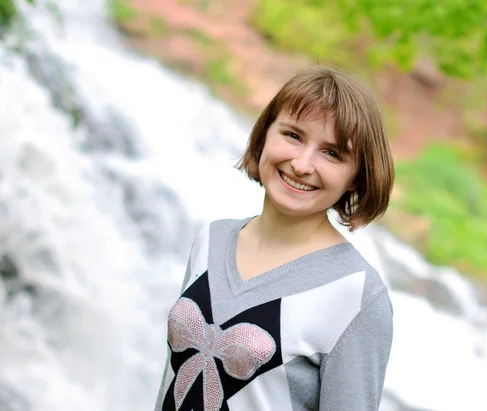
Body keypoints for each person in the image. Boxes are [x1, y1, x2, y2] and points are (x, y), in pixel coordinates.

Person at [154, 66, 395, 411]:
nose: (301, 164)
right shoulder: (212, 239)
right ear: (266, 133)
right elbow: (170, 382)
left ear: (357, 177)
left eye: (332, 153)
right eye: (293, 135)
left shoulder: (357, 295)